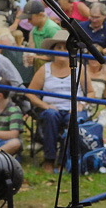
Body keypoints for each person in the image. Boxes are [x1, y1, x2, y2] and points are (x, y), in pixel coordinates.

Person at [27, 30, 94, 173]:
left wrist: (81, 104)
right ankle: (49, 159)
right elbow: (30, 93)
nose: (63, 51)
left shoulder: (79, 69)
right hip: (52, 108)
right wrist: (45, 105)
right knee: (50, 116)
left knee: (73, 119)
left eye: (66, 47)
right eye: (59, 47)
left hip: (74, 109)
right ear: (53, 50)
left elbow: (91, 93)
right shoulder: (44, 69)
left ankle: (64, 161)